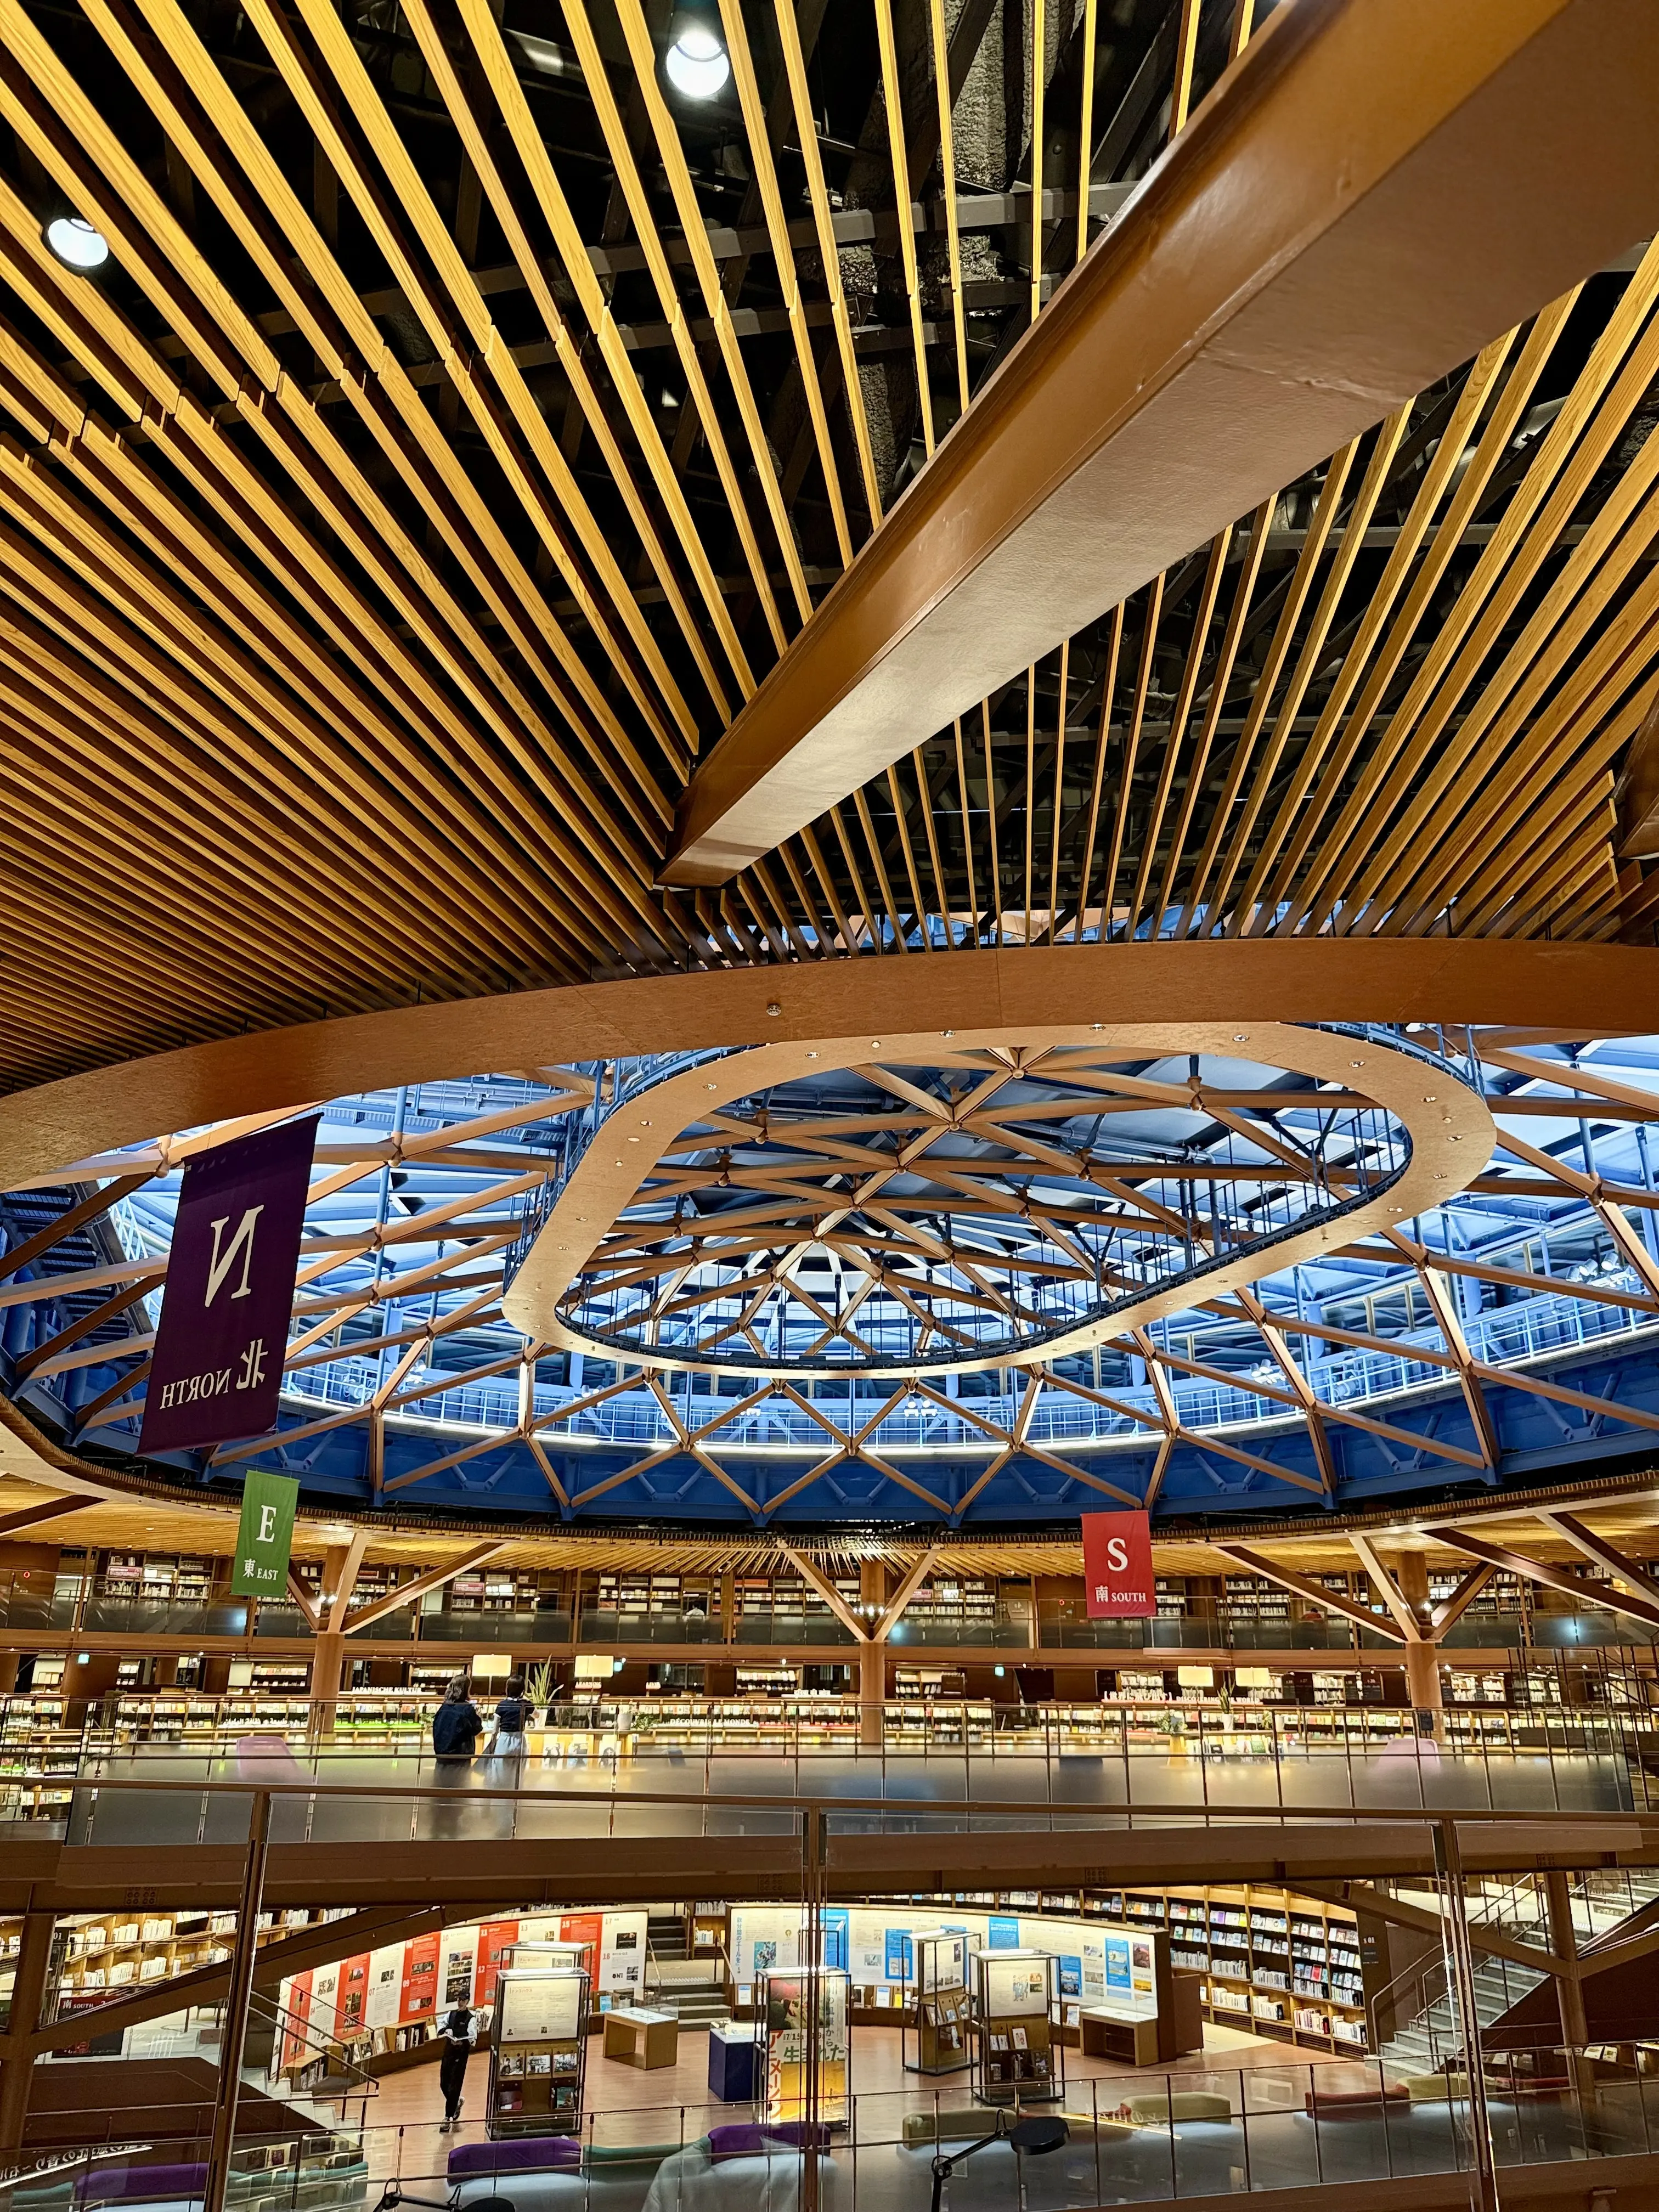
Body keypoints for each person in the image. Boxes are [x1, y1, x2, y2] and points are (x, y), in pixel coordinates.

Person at [431, 1677, 483, 1838]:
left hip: (442, 1756)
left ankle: (438, 1826)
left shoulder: (444, 1707)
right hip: (459, 1756)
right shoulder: (466, 1709)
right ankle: (453, 1827)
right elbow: (477, 1728)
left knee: (441, 1790)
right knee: (457, 1791)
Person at [437, 1997, 477, 2131]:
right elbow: (441, 2027)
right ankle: (457, 2103)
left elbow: (472, 2038)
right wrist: (446, 2031)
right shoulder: (450, 2015)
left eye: (464, 2000)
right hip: (448, 2052)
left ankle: (448, 2117)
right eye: (460, 2000)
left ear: (468, 2001)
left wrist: (462, 2042)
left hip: (461, 2055)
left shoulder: (471, 2018)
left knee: (455, 2085)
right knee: (444, 2083)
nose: (461, 2002)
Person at [489, 1673, 529, 1774]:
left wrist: (492, 1745)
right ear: (523, 1690)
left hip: (504, 1740)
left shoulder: (502, 1705)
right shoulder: (526, 1704)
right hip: (520, 1739)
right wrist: (526, 1699)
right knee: (518, 1775)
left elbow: (495, 1730)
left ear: (507, 1688)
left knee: (500, 1773)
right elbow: (537, 1715)